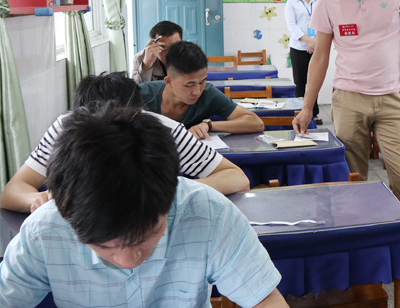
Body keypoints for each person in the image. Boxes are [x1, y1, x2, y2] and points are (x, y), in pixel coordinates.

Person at [0, 107, 296, 308]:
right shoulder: (46, 231)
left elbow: (267, 303)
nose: (128, 259)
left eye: (147, 237)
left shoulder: (207, 211)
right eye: (105, 246)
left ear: (170, 195)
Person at [292, 0, 400, 287]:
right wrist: (308, 106)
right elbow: (320, 56)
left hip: (393, 98)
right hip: (348, 98)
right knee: (352, 181)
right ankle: (358, 252)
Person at [0, 73, 250, 214]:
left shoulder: (163, 131)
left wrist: (174, 192)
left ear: (139, 116)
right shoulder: (63, 129)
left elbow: (236, 177)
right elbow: (12, 191)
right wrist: (37, 199)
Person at [139, 41, 263, 140]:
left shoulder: (208, 94)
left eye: (202, 82)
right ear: (169, 82)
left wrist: (209, 125)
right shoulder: (141, 94)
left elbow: (256, 123)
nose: (197, 91)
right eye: (189, 85)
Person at [285, 0, 322, 124]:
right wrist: (308, 41)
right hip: (298, 48)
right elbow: (292, 26)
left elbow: (323, 23)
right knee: (300, 82)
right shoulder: (291, 3)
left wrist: (315, 42)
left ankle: (314, 113)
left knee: (314, 81)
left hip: (317, 47)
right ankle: (300, 112)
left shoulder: (319, 1)